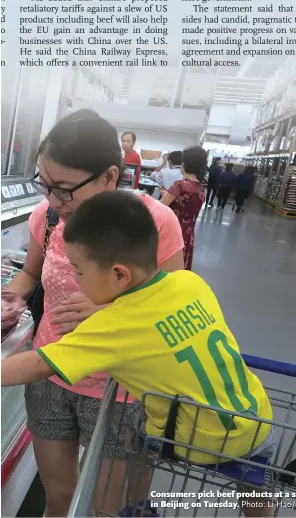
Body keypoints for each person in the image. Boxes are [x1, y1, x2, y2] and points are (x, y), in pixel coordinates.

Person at [2, 191, 275, 518]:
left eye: (79, 271)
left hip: (201, 440)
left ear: (119, 274)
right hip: (255, 417)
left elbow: (38, 363)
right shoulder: (189, 282)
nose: (74, 279)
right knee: (254, 483)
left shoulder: (116, 325)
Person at [6, 110, 184, 518]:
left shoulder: (154, 223)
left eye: (66, 189)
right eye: (46, 185)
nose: (54, 200)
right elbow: (30, 273)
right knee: (58, 496)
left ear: (109, 176)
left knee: (110, 507)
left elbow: (172, 304)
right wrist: (11, 298)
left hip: (124, 391)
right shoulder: (46, 217)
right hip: (50, 378)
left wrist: (108, 310)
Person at [161, 146, 207, 270]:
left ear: (184, 164)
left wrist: (165, 195)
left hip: (172, 233)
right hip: (187, 235)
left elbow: (160, 207)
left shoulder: (179, 185)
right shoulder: (201, 188)